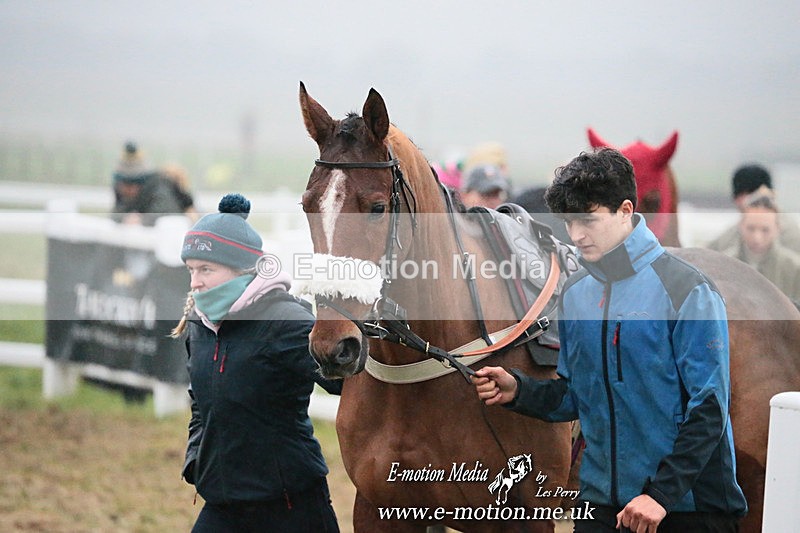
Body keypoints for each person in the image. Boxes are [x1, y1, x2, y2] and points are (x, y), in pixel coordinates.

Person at [472, 149, 747, 532]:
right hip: (601, 508)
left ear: (625, 210)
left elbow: (710, 410)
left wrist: (659, 496)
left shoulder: (688, 290)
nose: (576, 235)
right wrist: (518, 390)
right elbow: (575, 395)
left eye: (588, 220)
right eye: (569, 222)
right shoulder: (575, 293)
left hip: (687, 510)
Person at [172, 193, 341, 532]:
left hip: (291, 506)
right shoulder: (199, 324)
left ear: (243, 269)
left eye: (206, 269)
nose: (195, 282)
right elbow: (201, 408)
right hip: (222, 504)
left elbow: (344, 381)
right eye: (191, 270)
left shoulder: (286, 322)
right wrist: (198, 461)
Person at [719, 186, 800, 306]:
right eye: (751, 228)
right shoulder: (722, 264)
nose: (757, 238)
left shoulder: (794, 269)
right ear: (740, 226)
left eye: (765, 230)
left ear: (778, 228)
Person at [706, 163, 800, 253]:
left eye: (747, 194)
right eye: (737, 196)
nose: (740, 201)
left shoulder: (789, 232)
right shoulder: (732, 233)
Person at [111, 141, 196, 226]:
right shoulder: (127, 196)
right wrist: (125, 218)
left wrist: (141, 220)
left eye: (128, 184)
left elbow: (166, 214)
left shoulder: (160, 190)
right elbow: (116, 214)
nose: (123, 189)